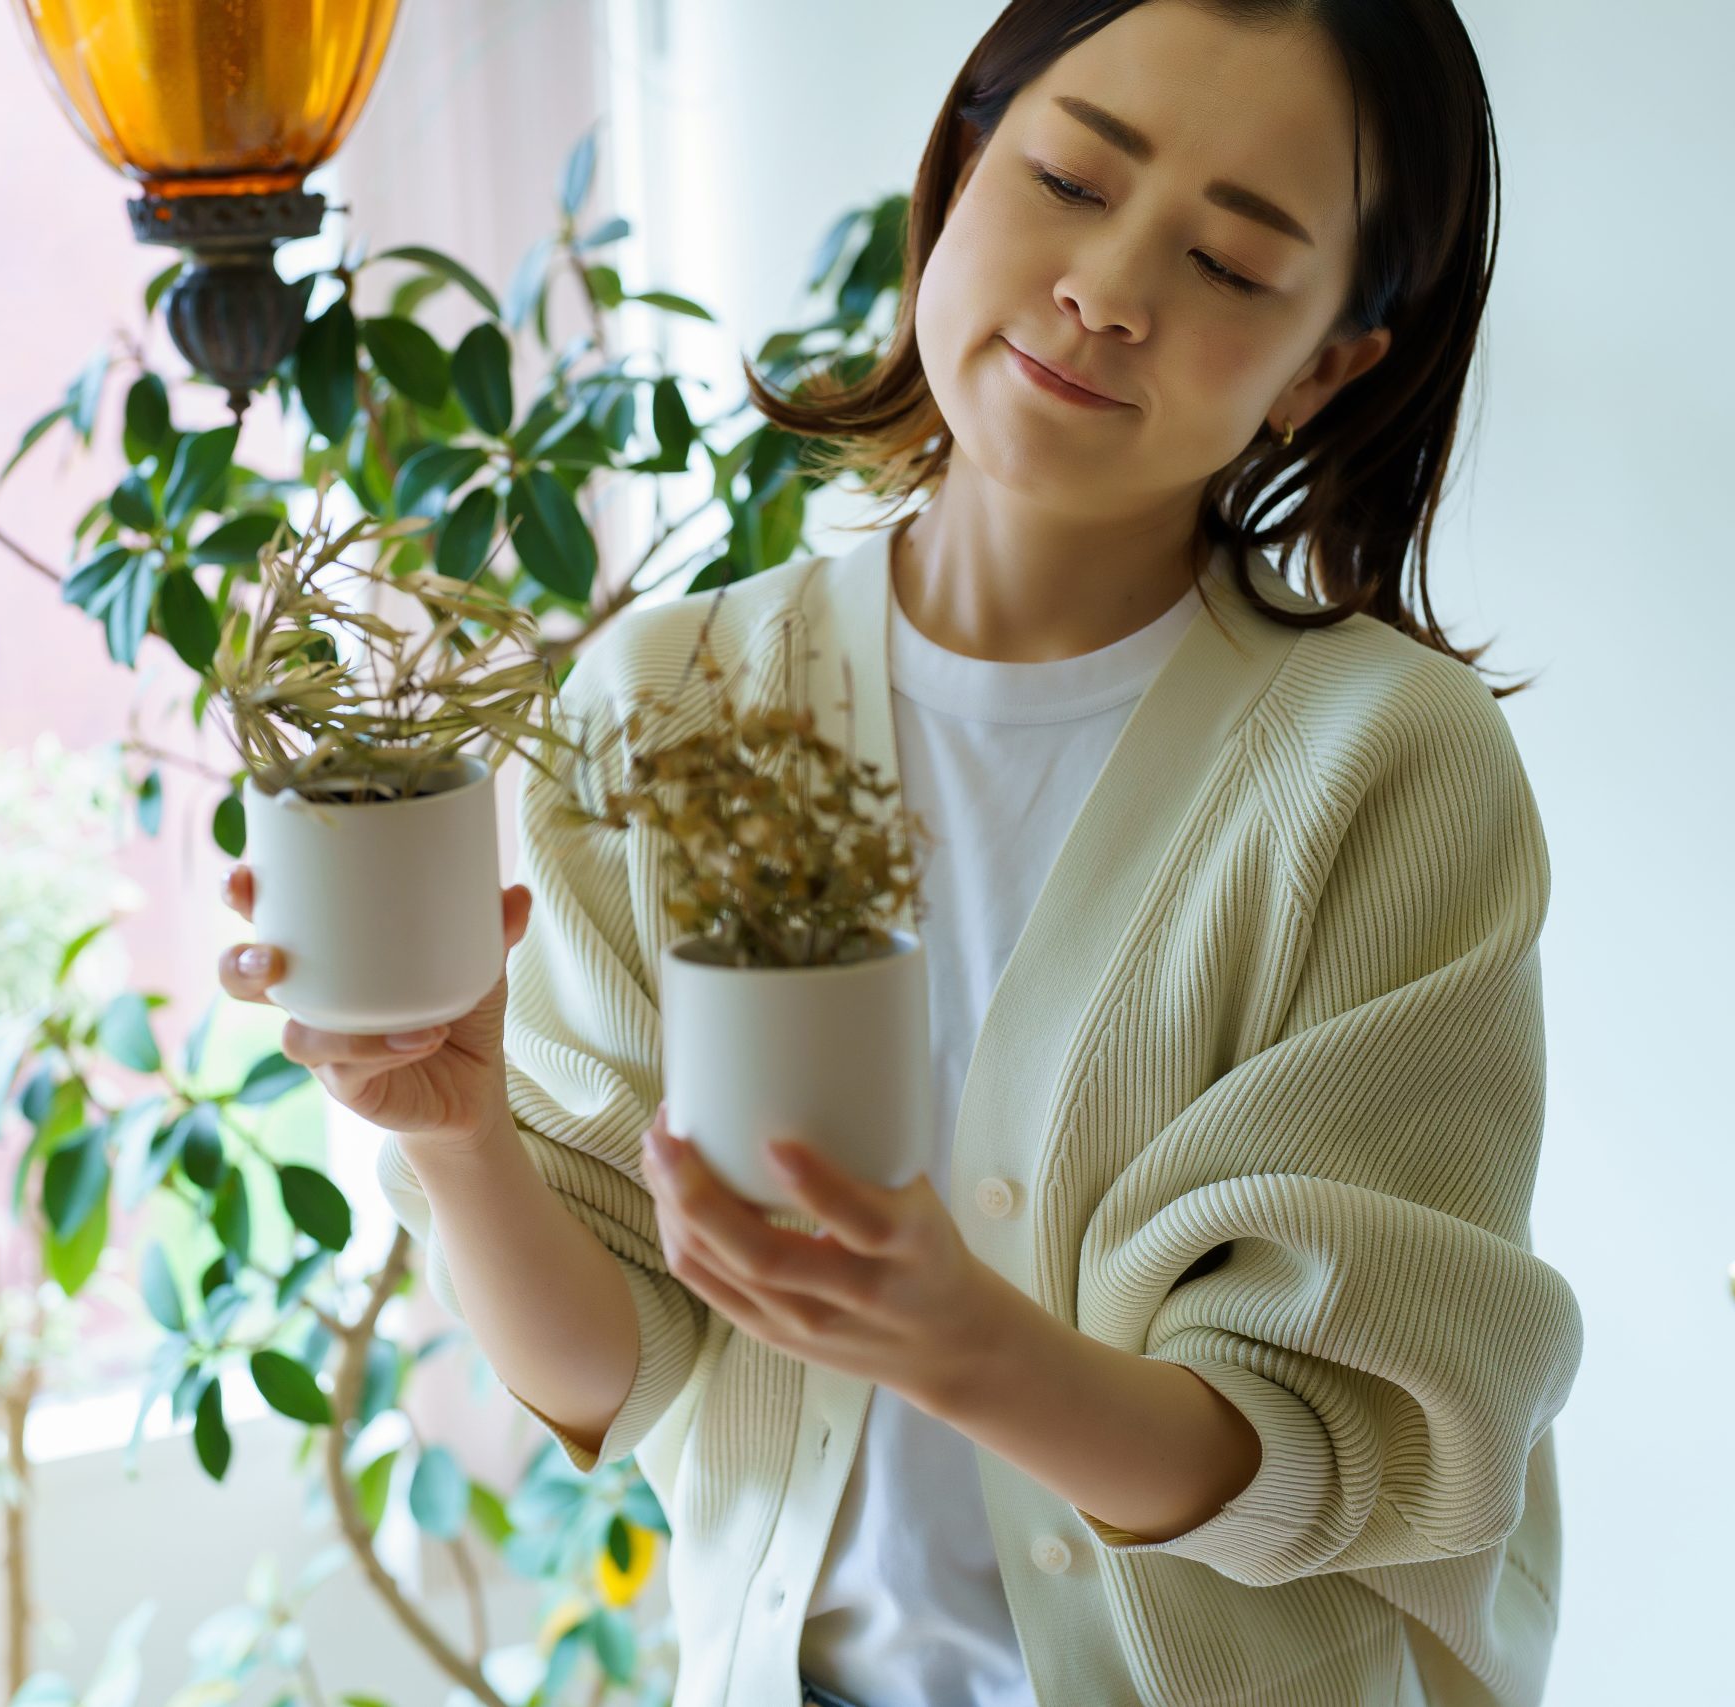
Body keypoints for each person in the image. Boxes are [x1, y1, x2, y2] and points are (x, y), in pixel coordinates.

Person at [218, 1, 1583, 1702]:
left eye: (1234, 265)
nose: (1110, 287)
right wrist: (463, 1135)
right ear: (956, 170)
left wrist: (962, 1343)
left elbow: (1351, 1447)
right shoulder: (668, 698)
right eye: (1074, 177)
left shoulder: (1382, 766)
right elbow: (616, 1376)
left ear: (1326, 364)